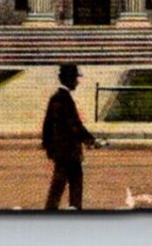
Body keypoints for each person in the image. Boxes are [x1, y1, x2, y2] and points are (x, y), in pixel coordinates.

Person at [42, 64, 100, 210]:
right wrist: (91, 140)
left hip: (60, 152)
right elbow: (75, 125)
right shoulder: (65, 99)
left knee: (58, 186)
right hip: (70, 153)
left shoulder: (55, 98)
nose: (77, 82)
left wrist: (49, 147)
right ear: (68, 79)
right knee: (74, 185)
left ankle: (51, 211)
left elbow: (47, 126)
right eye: (75, 78)